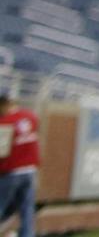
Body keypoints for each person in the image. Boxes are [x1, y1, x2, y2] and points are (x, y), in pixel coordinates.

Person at [0, 87, 38, 237]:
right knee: (27, 209)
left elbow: (2, 152)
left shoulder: (5, 122)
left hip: (12, 172)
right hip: (30, 170)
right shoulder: (30, 117)